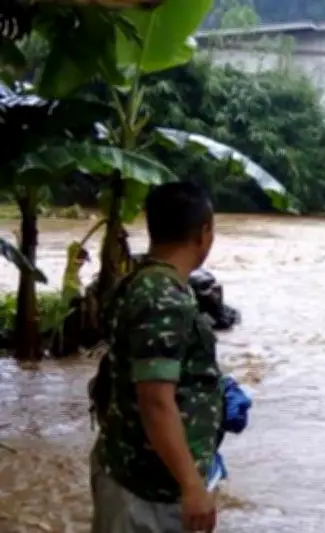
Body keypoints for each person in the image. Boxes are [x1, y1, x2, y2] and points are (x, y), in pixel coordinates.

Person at [89, 182, 222, 533]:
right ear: (204, 232)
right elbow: (155, 401)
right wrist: (193, 487)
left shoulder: (142, 282)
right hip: (145, 492)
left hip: (135, 476)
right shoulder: (164, 299)